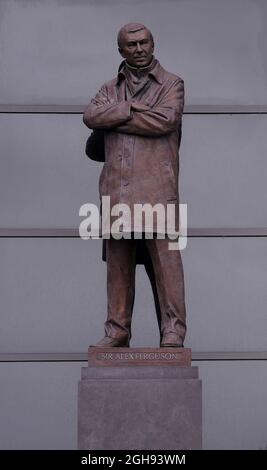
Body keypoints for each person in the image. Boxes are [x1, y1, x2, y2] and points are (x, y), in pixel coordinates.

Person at [83, 23, 186, 348]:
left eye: (144, 42)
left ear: (153, 44)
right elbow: (90, 116)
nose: (139, 49)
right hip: (116, 190)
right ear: (121, 51)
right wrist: (130, 108)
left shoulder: (172, 84)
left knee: (166, 265)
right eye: (131, 45)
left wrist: (115, 119)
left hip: (158, 190)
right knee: (118, 265)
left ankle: (173, 330)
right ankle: (117, 330)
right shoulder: (109, 88)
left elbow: (165, 120)